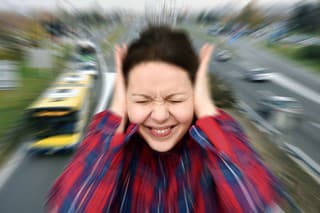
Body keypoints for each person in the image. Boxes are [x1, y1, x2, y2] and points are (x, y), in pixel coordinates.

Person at [47, 25, 282, 212]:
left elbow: (258, 204)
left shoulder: (214, 152)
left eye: (176, 100)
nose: (159, 116)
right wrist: (116, 111)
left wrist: (208, 111)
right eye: (142, 101)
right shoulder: (112, 152)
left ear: (195, 96)